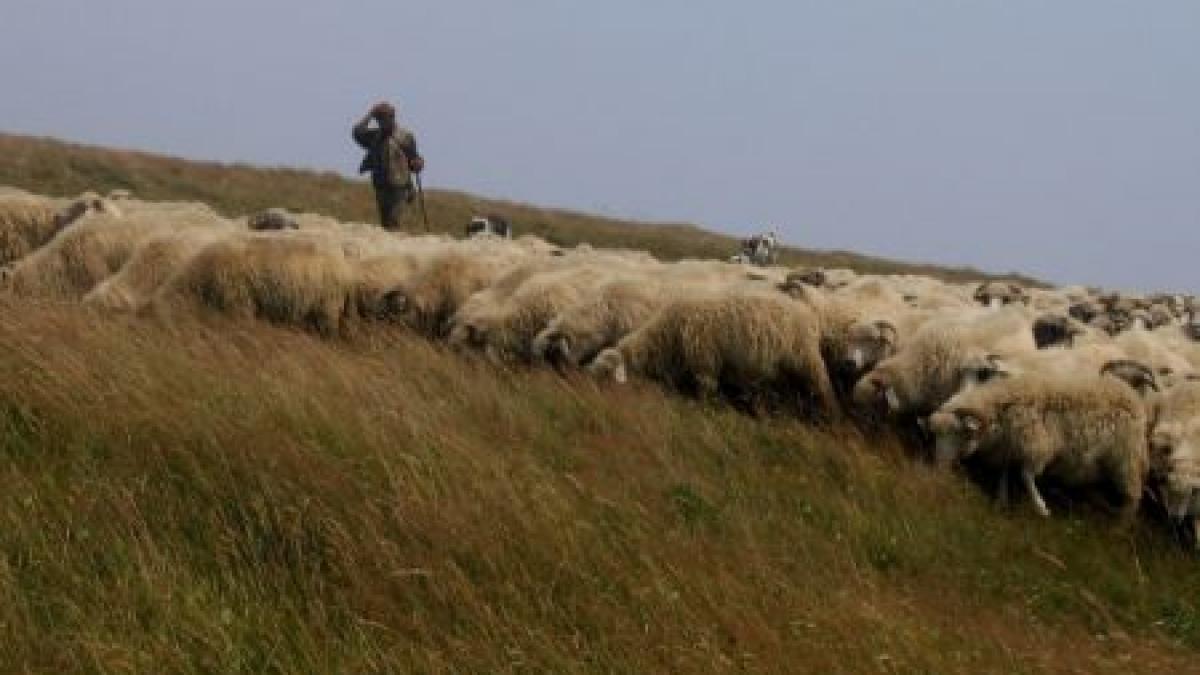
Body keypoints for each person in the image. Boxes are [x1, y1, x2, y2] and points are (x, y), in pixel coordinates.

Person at [352, 101, 424, 230]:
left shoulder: (405, 137)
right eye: (380, 119)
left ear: (392, 117)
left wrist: (418, 163)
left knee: (393, 221)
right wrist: (370, 113)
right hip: (381, 185)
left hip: (400, 186)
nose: (383, 122)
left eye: (386, 118)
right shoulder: (374, 137)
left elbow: (414, 158)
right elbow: (357, 132)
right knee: (385, 223)